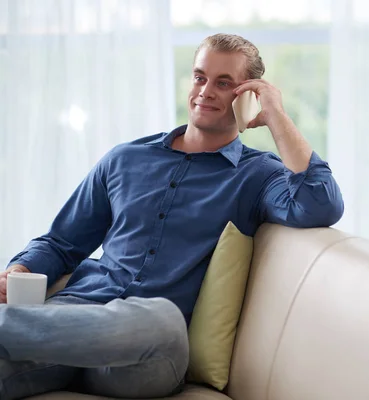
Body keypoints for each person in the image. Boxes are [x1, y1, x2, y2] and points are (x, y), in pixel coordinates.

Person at [0, 33, 344, 399]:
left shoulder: (257, 175)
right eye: (200, 77)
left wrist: (276, 115)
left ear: (248, 96)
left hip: (148, 350)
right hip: (66, 328)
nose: (206, 90)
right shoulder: (125, 159)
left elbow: (319, 202)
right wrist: (18, 270)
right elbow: (61, 243)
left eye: (224, 83)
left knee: (161, 320)